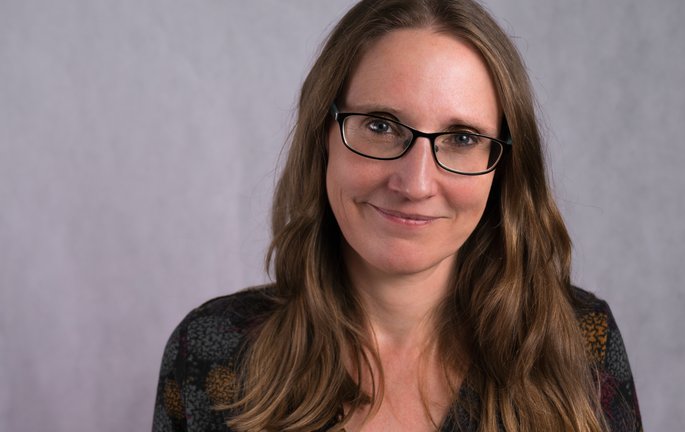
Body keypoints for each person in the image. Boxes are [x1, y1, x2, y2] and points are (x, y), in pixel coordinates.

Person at [152, 0, 641, 431]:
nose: (415, 183)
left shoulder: (579, 345)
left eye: (464, 138)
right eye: (381, 126)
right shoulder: (212, 352)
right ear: (324, 137)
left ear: (505, 167)